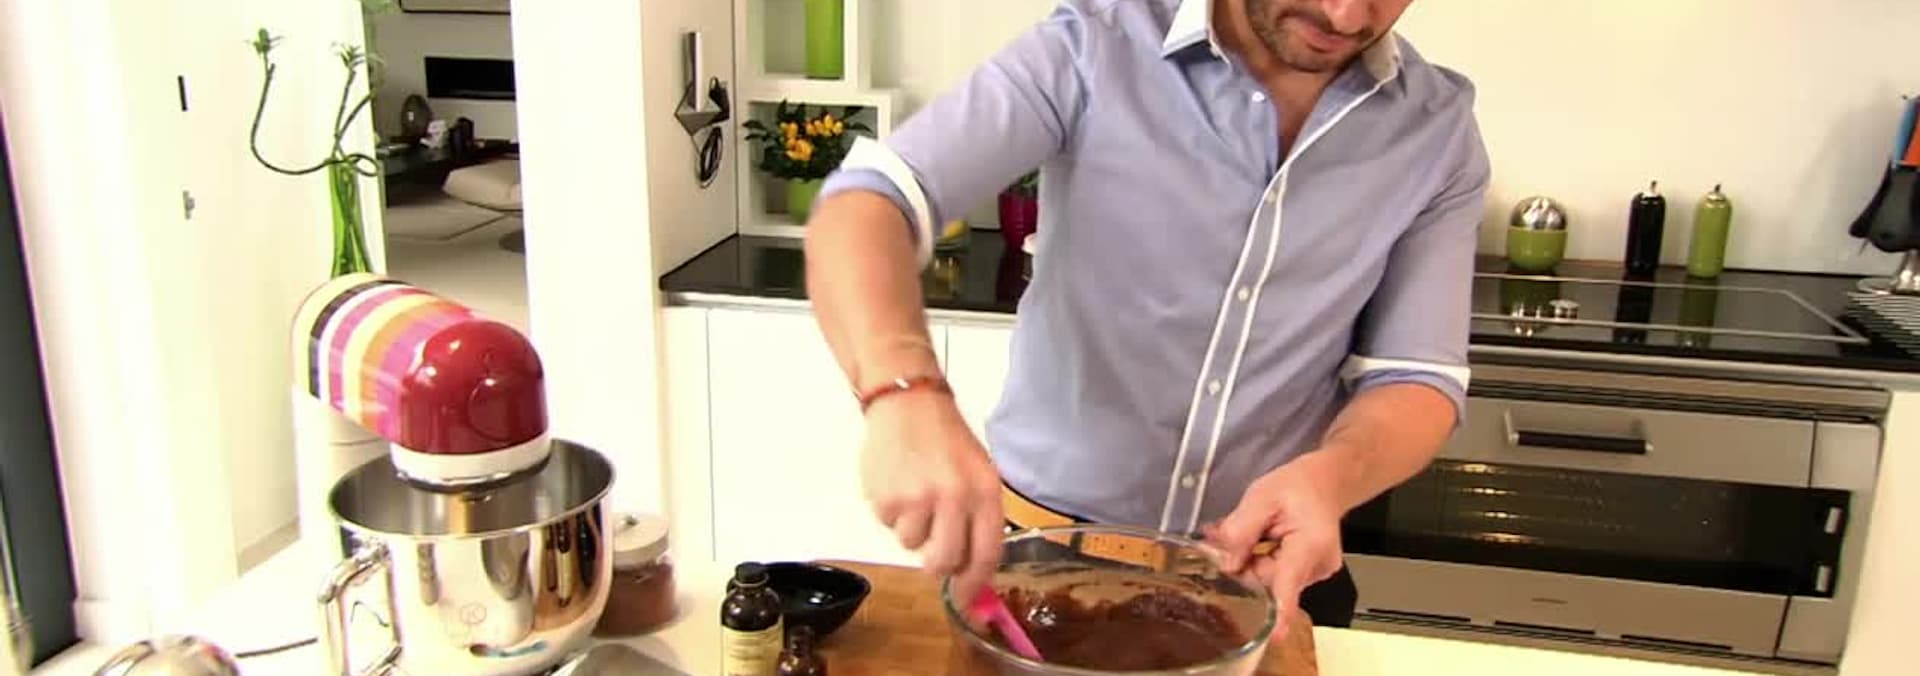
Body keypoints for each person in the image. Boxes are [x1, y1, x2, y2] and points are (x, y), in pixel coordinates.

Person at [802, 0, 1489, 638]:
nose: (1346, 14)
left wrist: (1334, 476)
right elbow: (869, 202)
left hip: (1263, 576)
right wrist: (904, 393)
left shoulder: (1435, 128)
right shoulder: (1094, 45)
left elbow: (1416, 376)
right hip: (1036, 562)